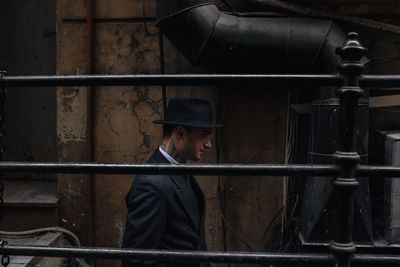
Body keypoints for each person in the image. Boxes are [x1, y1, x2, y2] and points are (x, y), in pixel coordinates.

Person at [122, 97, 223, 267]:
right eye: (203, 135)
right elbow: (136, 261)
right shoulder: (151, 184)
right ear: (180, 134)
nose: (208, 144)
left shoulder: (178, 171)